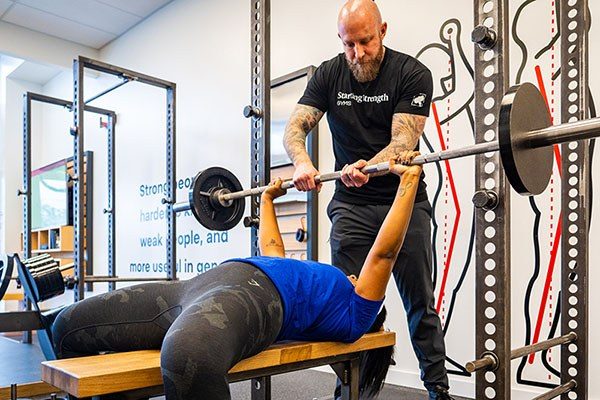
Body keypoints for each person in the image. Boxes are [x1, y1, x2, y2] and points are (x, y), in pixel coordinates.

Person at [50, 152, 422, 400]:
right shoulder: (312, 281)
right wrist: (267, 200)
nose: (355, 276)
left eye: (359, 280)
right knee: (67, 325)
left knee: (187, 357)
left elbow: (383, 254)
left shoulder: (357, 315)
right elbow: (273, 250)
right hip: (200, 286)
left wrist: (408, 182)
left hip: (255, 300)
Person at [282, 1, 452, 399]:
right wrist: (303, 162)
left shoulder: (412, 74)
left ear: (383, 31)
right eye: (348, 44)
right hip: (351, 206)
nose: (357, 53)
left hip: (402, 202)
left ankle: (439, 391)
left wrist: (367, 167)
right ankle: (351, 391)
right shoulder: (329, 73)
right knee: (346, 303)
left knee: (419, 303)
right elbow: (295, 126)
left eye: (365, 42)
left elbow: (401, 144)